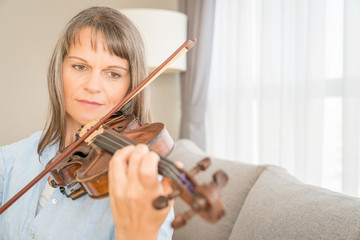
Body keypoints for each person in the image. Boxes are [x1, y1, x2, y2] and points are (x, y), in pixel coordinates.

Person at [0, 6, 174, 240]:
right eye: (80, 67)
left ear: (130, 86)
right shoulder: (10, 161)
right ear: (59, 71)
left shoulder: (143, 182)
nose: (93, 86)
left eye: (113, 73)